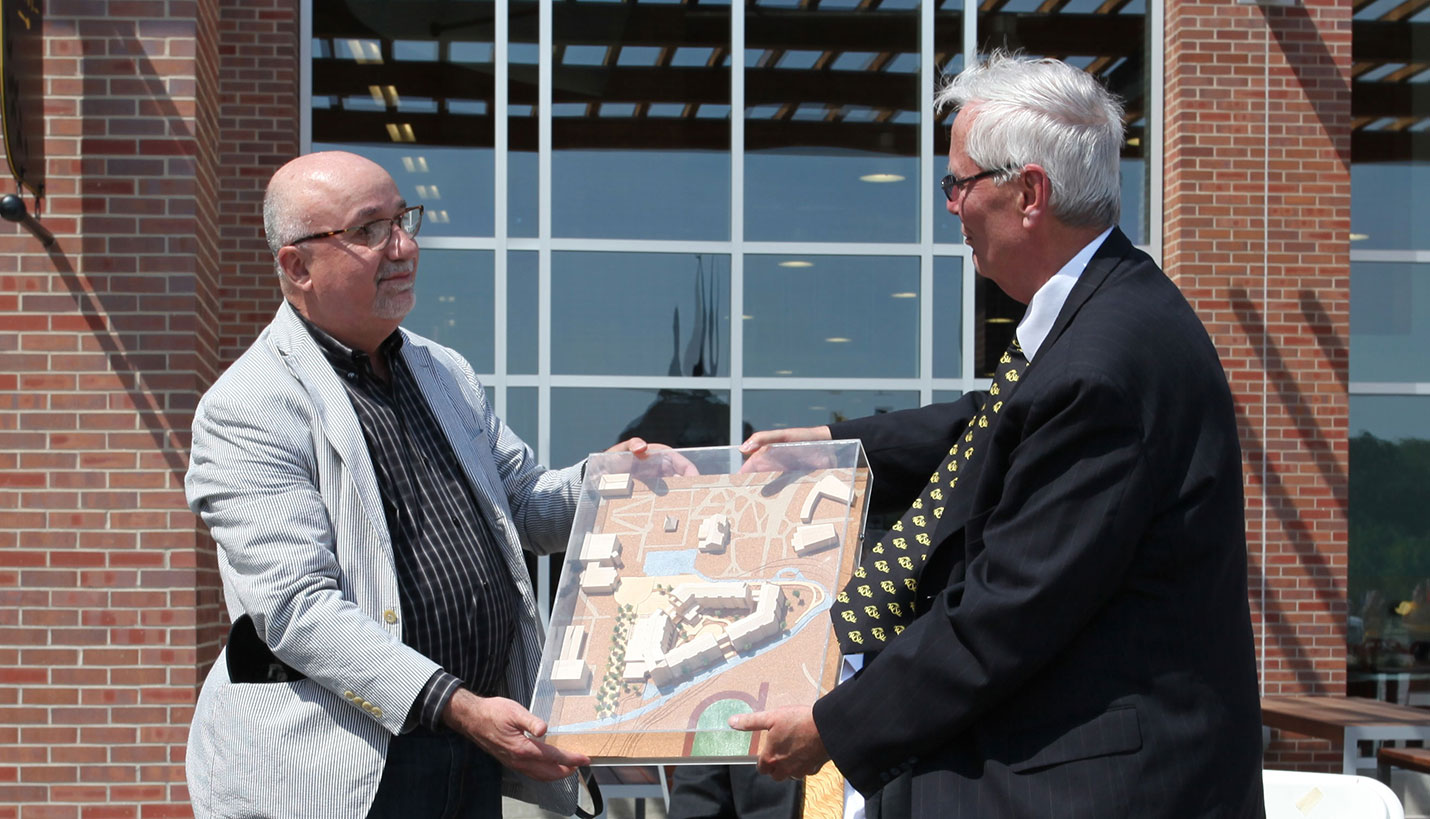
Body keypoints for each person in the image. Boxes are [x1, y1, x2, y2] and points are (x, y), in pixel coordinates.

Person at [730, 53, 1265, 817]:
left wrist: (833, 726)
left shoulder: (1103, 365)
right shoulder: (1108, 311)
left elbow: (1006, 608)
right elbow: (991, 420)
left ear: (1029, 193)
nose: (949, 206)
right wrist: (835, 445)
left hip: (1091, 791)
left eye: (959, 182)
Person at [184, 150, 670, 818]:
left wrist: (605, 482)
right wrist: (460, 706)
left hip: (465, 755)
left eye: (402, 220)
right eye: (368, 231)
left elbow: (523, 503)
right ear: (296, 267)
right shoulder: (249, 407)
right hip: (342, 769)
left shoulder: (443, 372)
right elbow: (296, 608)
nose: (404, 247)